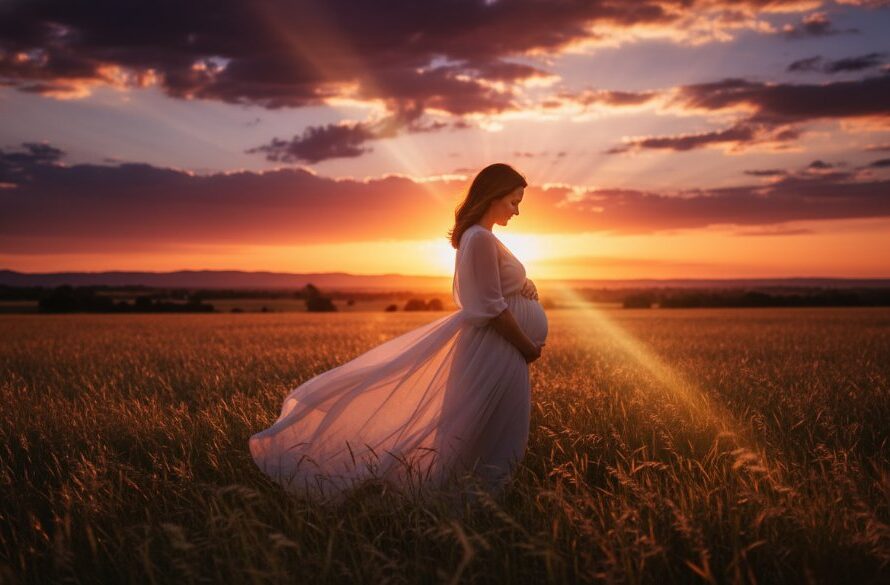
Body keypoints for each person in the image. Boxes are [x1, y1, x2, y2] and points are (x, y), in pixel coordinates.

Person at [249, 163, 548, 503]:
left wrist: (525, 285)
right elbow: (489, 306)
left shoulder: (485, 237)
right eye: (513, 201)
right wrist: (527, 346)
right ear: (492, 196)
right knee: (485, 430)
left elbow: (496, 289)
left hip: (499, 348)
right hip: (498, 347)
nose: (517, 210)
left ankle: (478, 501)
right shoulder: (479, 237)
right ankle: (463, 505)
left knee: (489, 429)